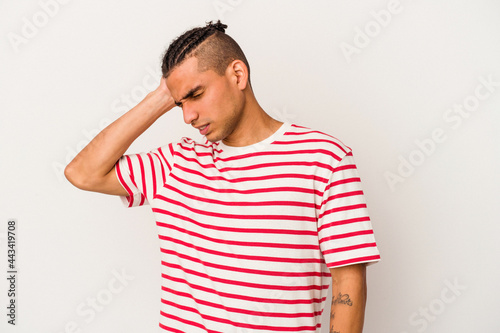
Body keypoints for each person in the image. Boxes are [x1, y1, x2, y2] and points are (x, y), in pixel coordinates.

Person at [65, 20, 380, 333]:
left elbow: (348, 279)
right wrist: (164, 94)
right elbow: (83, 173)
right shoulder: (174, 165)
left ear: (237, 74)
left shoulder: (323, 158)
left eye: (196, 94)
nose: (188, 116)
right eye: (180, 104)